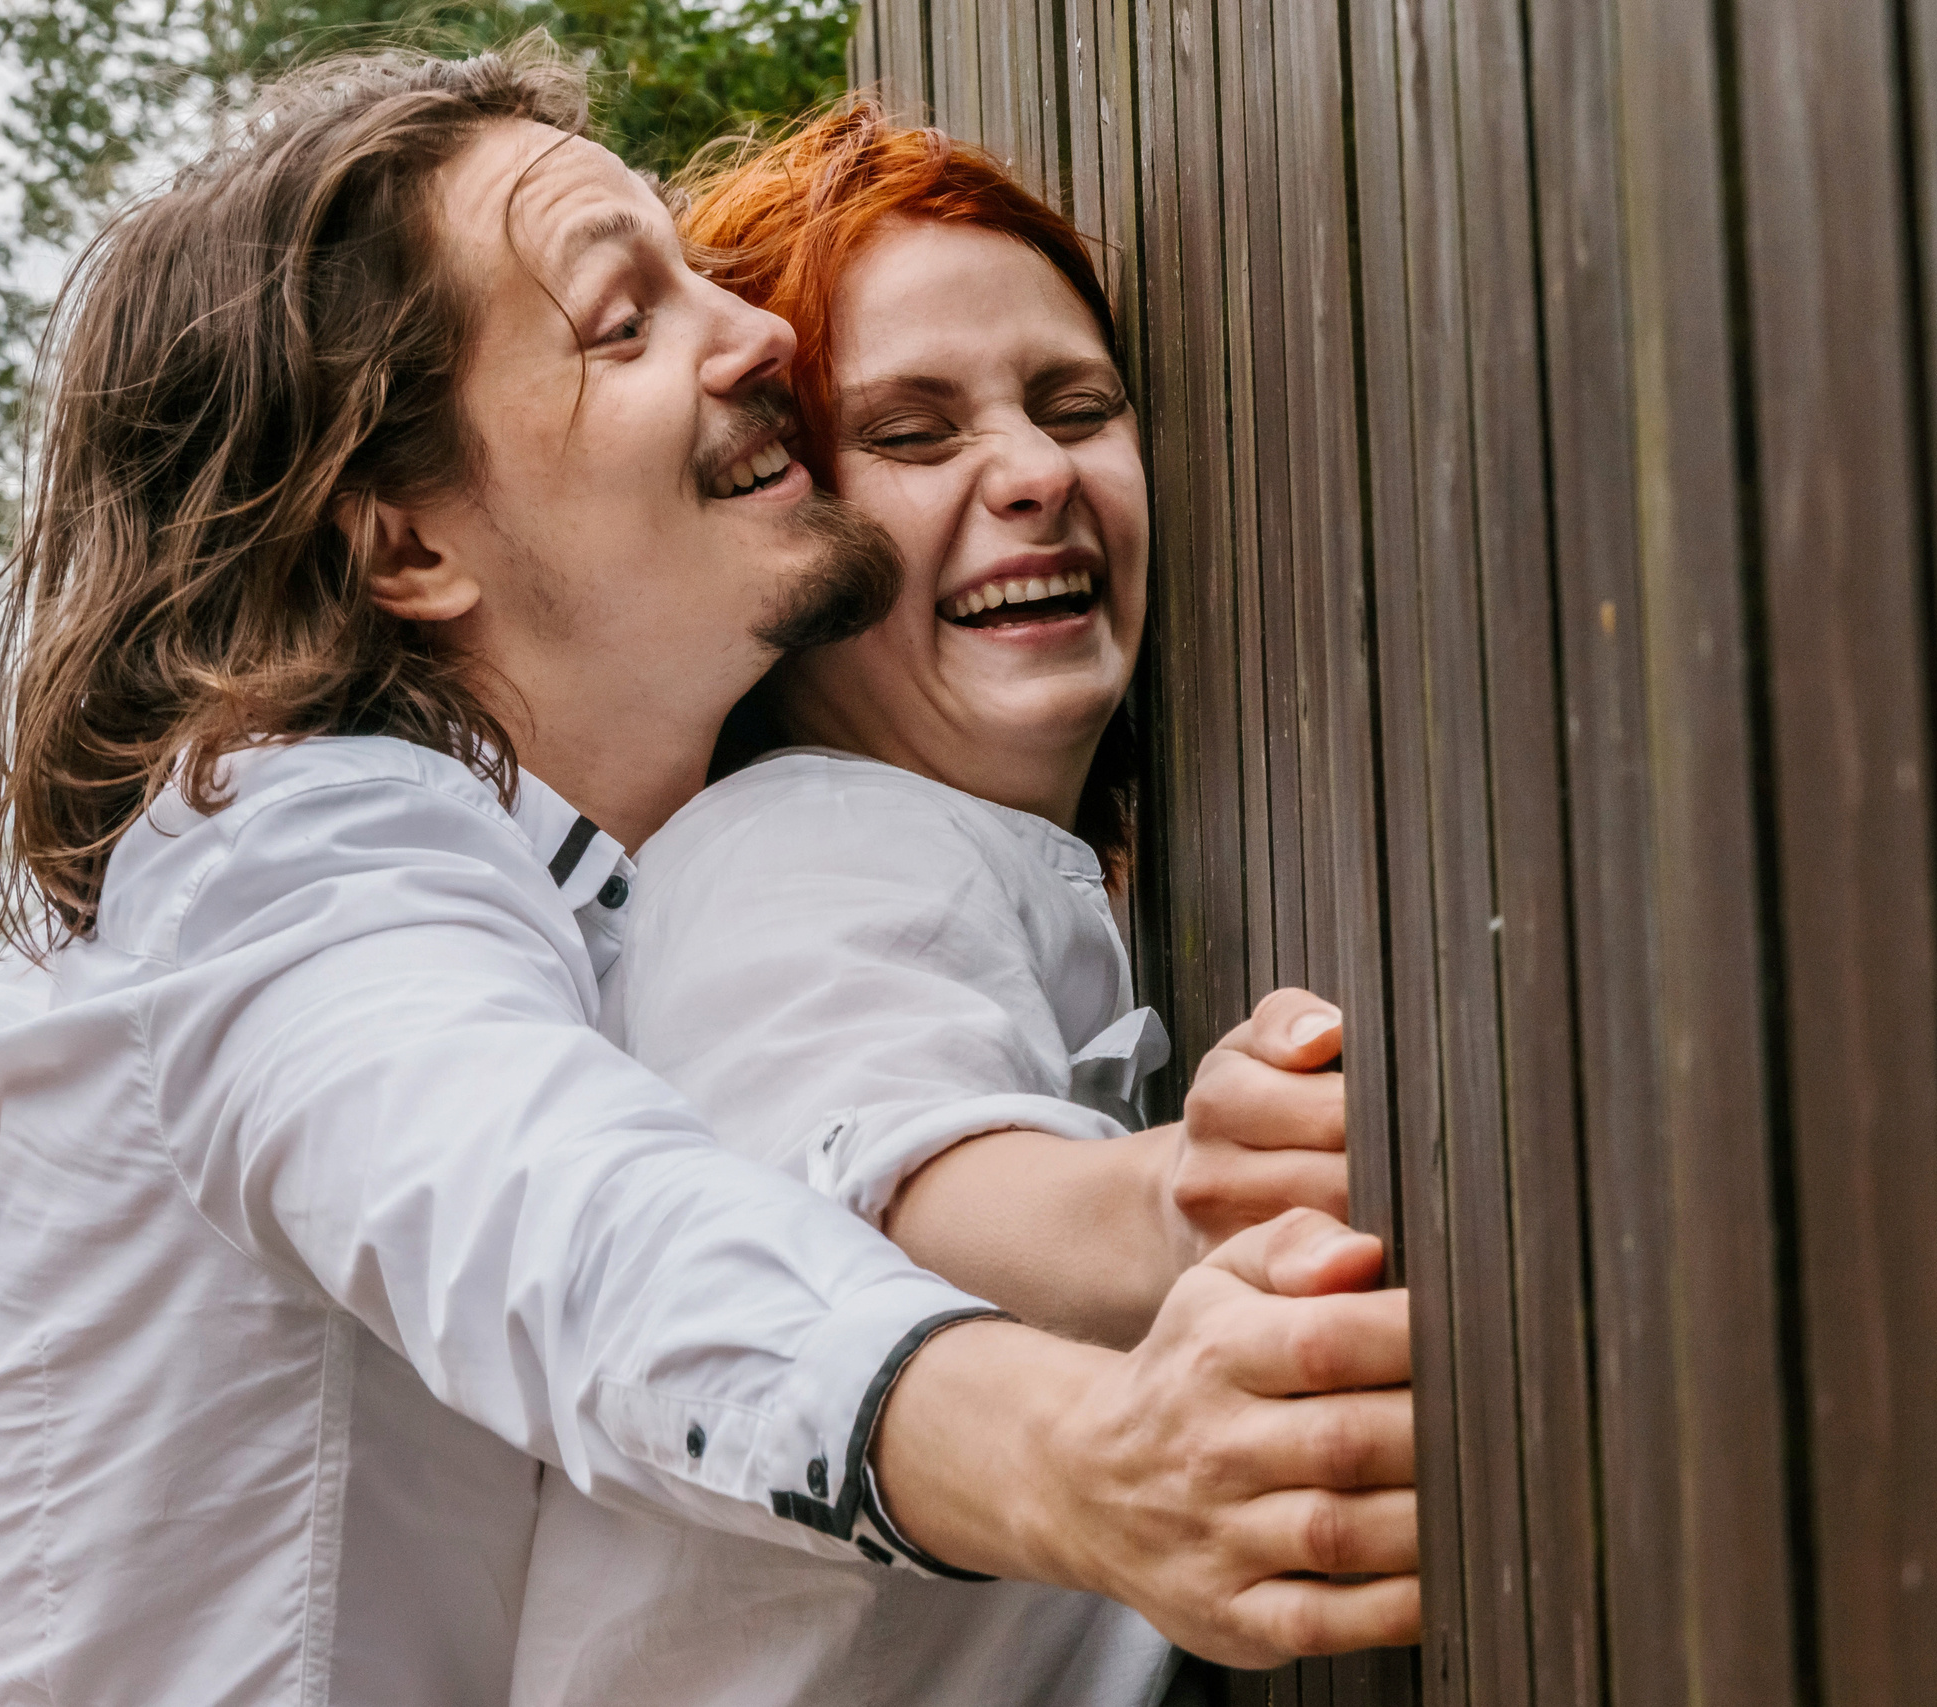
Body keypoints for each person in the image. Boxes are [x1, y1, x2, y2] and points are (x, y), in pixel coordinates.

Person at [0, 41, 1416, 1706]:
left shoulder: (634, 880)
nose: (763, 337)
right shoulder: (283, 858)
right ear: (411, 544)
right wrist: (1086, 1457)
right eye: (624, 320)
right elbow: (565, 1233)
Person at [510, 105, 1351, 1707]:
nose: (1032, 473)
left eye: (1073, 405)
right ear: (778, 526)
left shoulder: (953, 844)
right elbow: (866, 1177)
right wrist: (1173, 1201)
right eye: (911, 434)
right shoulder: (801, 842)